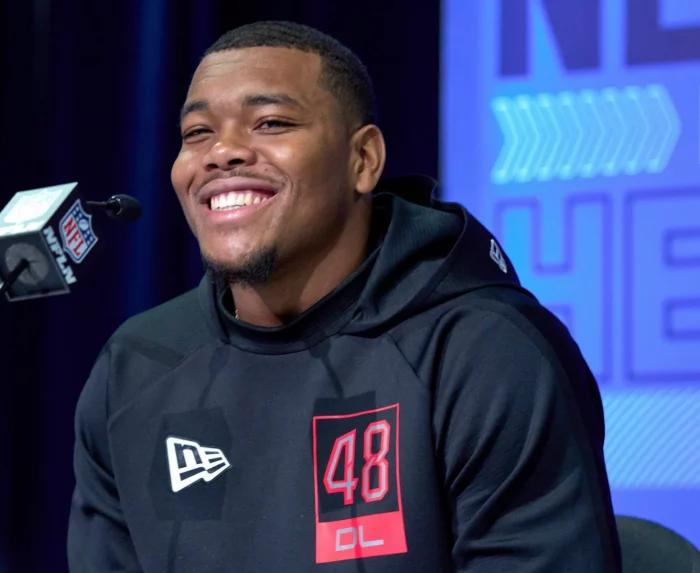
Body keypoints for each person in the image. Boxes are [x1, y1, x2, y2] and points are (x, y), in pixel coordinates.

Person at [67, 20, 622, 572]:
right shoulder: (136, 367)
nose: (222, 152)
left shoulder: (487, 351)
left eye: (271, 122)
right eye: (196, 134)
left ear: (363, 161)